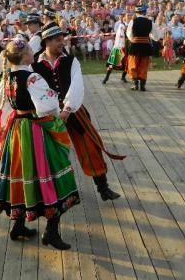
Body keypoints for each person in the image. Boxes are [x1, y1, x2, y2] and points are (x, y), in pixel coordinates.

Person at [0, 36, 80, 250]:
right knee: (50, 175)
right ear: (25, 56)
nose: (33, 52)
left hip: (16, 130)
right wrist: (56, 115)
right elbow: (47, 106)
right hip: (33, 130)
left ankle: (18, 226)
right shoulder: (32, 77)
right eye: (30, 50)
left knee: (21, 173)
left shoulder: (8, 76)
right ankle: (51, 233)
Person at [33, 23, 125, 201]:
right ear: (47, 41)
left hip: (73, 110)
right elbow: (35, 90)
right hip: (48, 114)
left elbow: (76, 85)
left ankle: (103, 188)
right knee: (49, 152)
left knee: (90, 146)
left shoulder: (71, 61)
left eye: (63, 39)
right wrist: (51, 111)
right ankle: (52, 191)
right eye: (58, 40)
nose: (62, 43)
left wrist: (67, 109)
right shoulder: (34, 65)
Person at [126, 5, 153, 91]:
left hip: (135, 46)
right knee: (144, 65)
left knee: (132, 64)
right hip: (146, 46)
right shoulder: (150, 22)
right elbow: (156, 35)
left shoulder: (133, 21)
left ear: (136, 13)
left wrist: (133, 39)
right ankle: (142, 85)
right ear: (144, 12)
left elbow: (129, 34)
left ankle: (135, 84)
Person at [102, 13, 129, 84]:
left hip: (126, 48)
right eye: (127, 17)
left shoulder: (129, 26)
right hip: (118, 48)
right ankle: (106, 77)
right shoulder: (121, 27)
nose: (128, 18)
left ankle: (123, 77)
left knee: (127, 63)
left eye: (129, 17)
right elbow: (121, 36)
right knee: (112, 63)